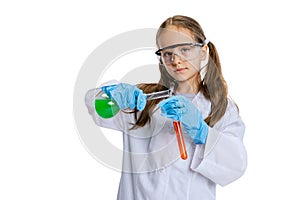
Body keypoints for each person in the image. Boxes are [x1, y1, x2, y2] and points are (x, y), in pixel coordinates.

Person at [85, 15, 247, 200]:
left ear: (203, 51)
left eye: (185, 49)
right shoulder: (142, 101)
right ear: (161, 58)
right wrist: (113, 94)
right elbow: (96, 108)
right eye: (167, 53)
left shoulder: (220, 108)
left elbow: (235, 166)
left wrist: (203, 133)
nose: (176, 60)